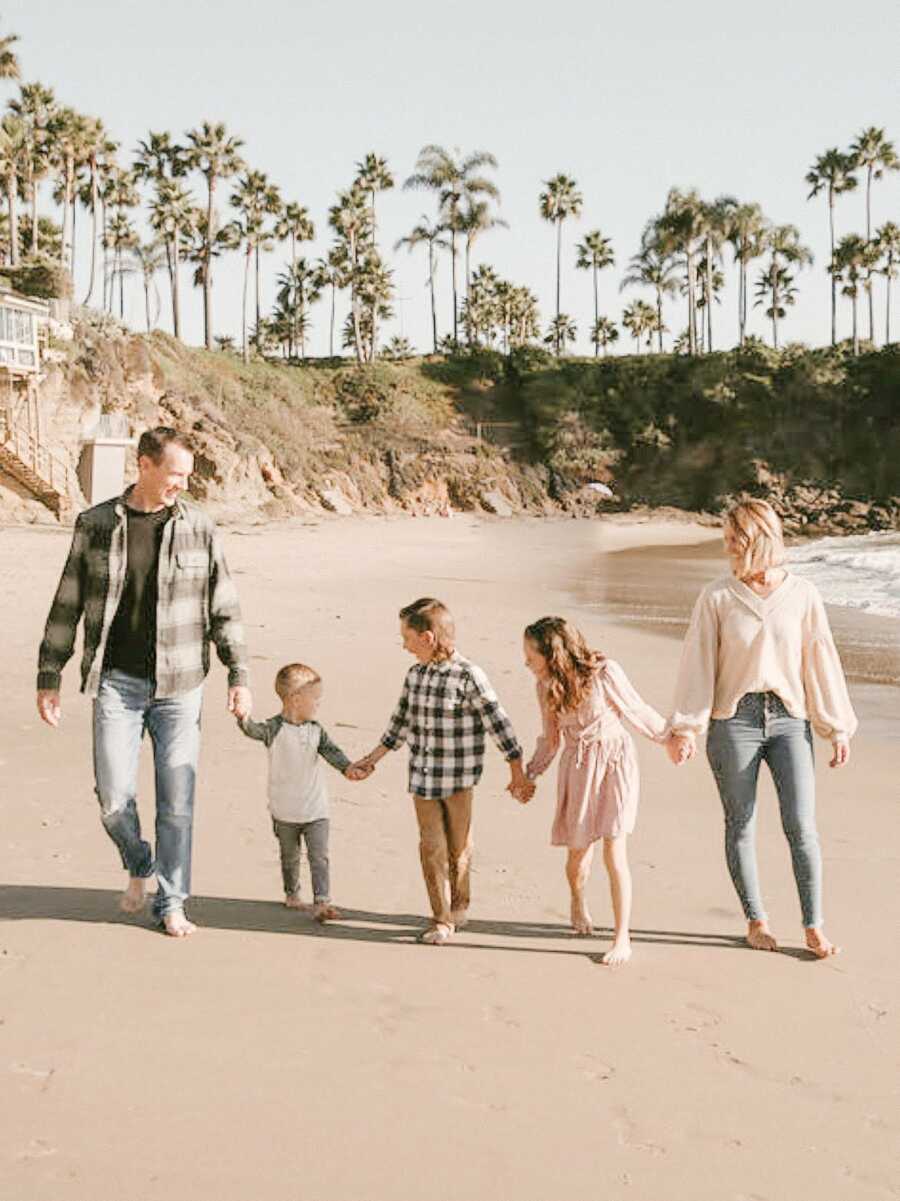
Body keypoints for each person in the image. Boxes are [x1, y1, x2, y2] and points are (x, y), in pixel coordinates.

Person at [36, 426, 252, 937]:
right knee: (113, 796)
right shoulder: (94, 524)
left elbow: (224, 604)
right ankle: (139, 861)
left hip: (181, 684)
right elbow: (66, 602)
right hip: (118, 682)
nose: (182, 483)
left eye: (187, 475)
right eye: (175, 473)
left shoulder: (199, 525)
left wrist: (238, 672)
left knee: (177, 804)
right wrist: (50, 673)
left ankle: (172, 902)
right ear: (145, 465)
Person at [667, 499, 856, 958]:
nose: (727, 545)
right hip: (735, 722)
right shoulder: (717, 596)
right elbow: (698, 663)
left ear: (758, 537)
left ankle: (813, 926)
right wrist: (687, 726)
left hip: (791, 720)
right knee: (741, 823)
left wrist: (836, 726)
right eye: (727, 537)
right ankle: (757, 920)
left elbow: (820, 659)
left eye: (735, 537)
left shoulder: (803, 594)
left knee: (802, 827)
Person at [354, 597, 529, 945]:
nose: (404, 645)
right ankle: (441, 918)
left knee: (459, 847)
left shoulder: (469, 675)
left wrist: (517, 772)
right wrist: (371, 759)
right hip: (422, 778)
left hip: (459, 779)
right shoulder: (415, 675)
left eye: (407, 637)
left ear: (428, 637)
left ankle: (460, 903)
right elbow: (399, 725)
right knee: (430, 845)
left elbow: (499, 723)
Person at [521, 617, 671, 966]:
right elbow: (551, 739)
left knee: (614, 849)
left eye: (530, 654)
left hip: (616, 762)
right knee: (577, 853)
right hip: (577, 768)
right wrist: (531, 773)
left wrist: (672, 738)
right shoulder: (545, 687)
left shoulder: (605, 672)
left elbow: (637, 710)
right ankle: (578, 897)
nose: (526, 661)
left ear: (552, 652)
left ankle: (622, 938)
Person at [237, 662, 370, 921]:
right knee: (290, 855)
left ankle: (322, 901)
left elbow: (333, 754)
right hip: (284, 809)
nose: (318, 704)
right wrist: (243, 717)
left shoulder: (316, 730)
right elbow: (254, 730)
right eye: (315, 699)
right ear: (295, 700)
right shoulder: (274, 729)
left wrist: (349, 769)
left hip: (316, 809)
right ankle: (292, 893)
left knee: (319, 856)